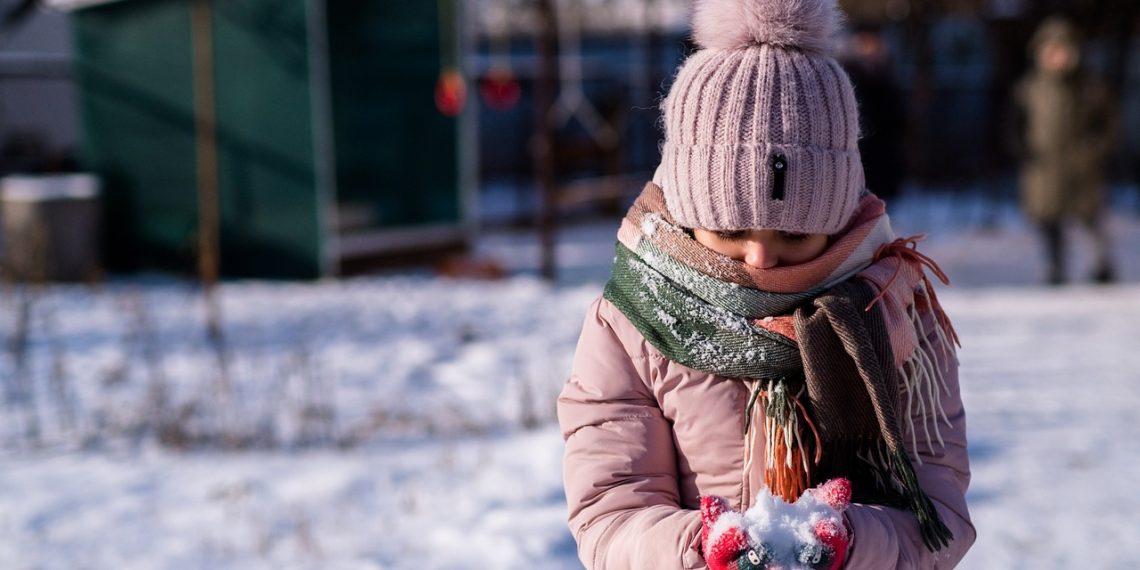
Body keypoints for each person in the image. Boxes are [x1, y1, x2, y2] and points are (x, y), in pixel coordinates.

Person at [556, 1, 976, 568]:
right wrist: (697, 550)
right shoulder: (630, 323)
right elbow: (610, 509)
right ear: (685, 208)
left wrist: (852, 542)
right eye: (729, 230)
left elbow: (938, 518)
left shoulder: (896, 308)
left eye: (795, 236)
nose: (760, 258)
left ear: (838, 214)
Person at [1010, 17, 1118, 285]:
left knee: (1090, 218)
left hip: (1081, 165)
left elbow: (1109, 124)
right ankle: (1055, 268)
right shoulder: (1029, 89)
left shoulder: (1090, 87)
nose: (1057, 57)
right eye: (1051, 51)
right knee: (1048, 222)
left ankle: (1101, 265)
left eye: (1063, 50)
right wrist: (1024, 150)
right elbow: (1012, 125)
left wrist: (1094, 149)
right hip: (1043, 167)